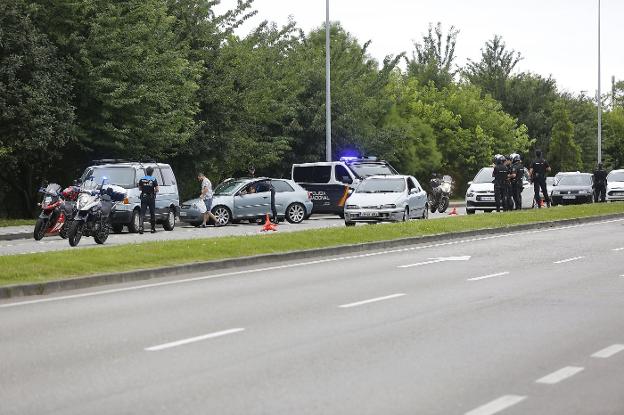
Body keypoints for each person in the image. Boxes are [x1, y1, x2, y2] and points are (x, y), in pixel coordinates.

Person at [138, 166, 159, 234]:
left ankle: (141, 227)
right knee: (152, 213)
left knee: (142, 213)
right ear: (152, 172)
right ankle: (152, 228)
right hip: (151, 197)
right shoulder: (153, 179)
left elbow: (140, 188)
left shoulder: (142, 179)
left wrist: (144, 188)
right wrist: (154, 191)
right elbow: (157, 189)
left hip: (144, 197)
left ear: (146, 172)